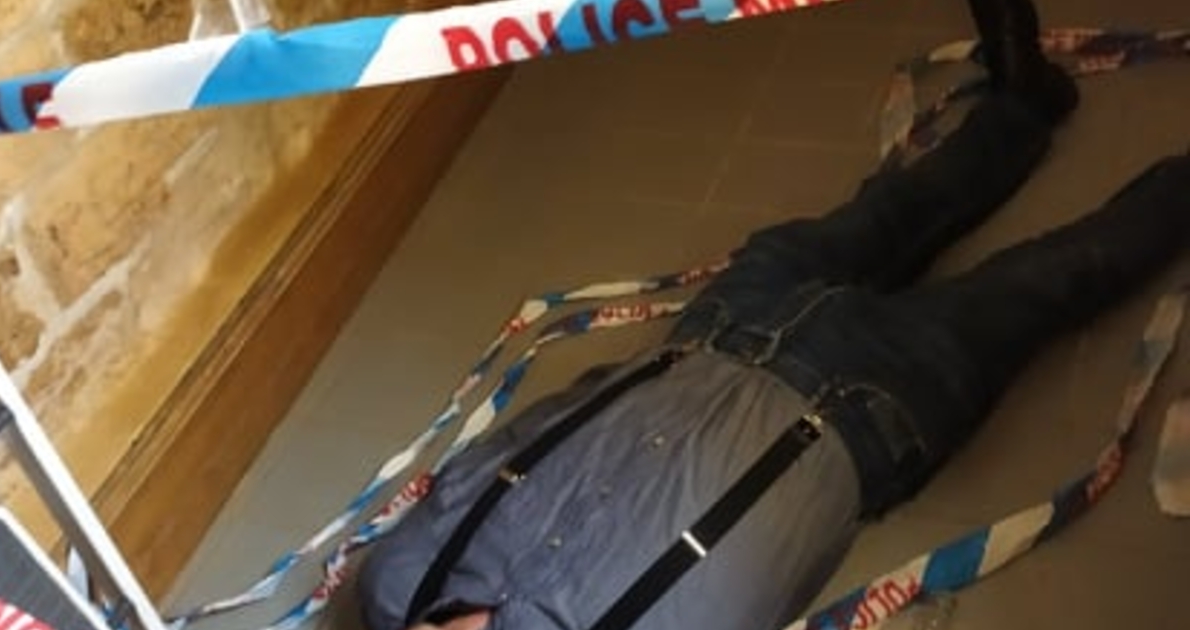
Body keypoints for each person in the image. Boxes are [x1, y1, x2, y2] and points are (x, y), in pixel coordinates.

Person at [357, 0, 1190, 628]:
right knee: (1053, 277)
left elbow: (535, 431)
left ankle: (1024, 103)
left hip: (723, 328)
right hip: (866, 405)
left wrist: (662, 367)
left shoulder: (401, 577)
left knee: (899, 208)